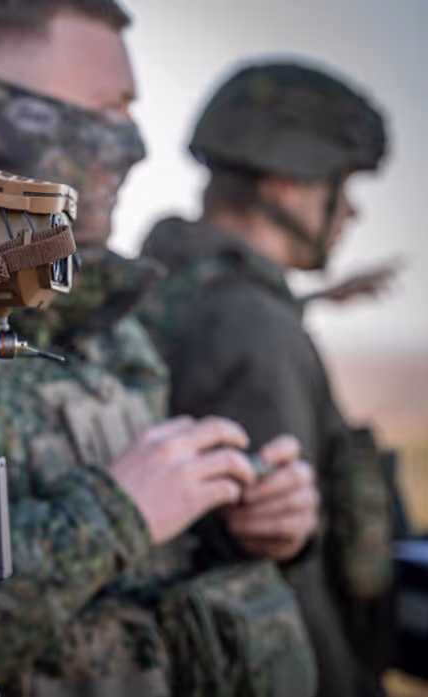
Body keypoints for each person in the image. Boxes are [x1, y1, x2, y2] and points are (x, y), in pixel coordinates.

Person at [0, 2, 321, 694]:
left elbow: (143, 561)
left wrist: (237, 523)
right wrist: (115, 512)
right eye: (107, 109)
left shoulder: (103, 308)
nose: (135, 146)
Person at [137, 61, 397, 697]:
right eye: (342, 184)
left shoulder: (169, 287)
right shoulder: (253, 330)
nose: (352, 212)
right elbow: (277, 589)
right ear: (287, 185)